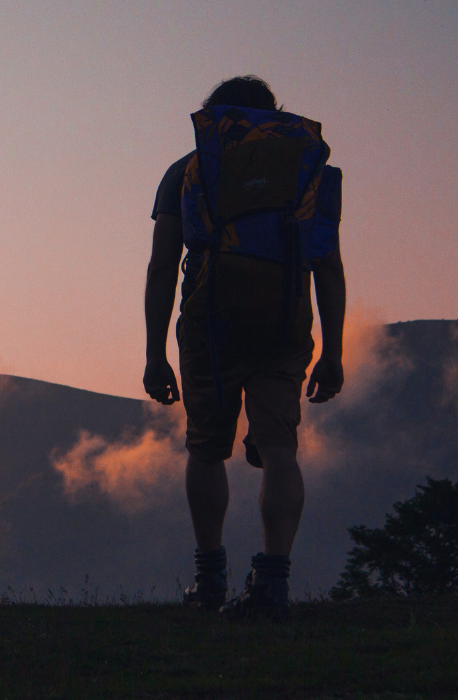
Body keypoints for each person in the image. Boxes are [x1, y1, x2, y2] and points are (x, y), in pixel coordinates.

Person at [143, 75, 346, 619]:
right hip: (285, 318)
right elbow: (326, 264)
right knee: (280, 448)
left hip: (213, 319)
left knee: (207, 447)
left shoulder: (189, 170)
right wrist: (333, 350)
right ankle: (272, 585)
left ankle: (210, 583)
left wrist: (154, 351)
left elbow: (163, 266)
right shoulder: (303, 170)